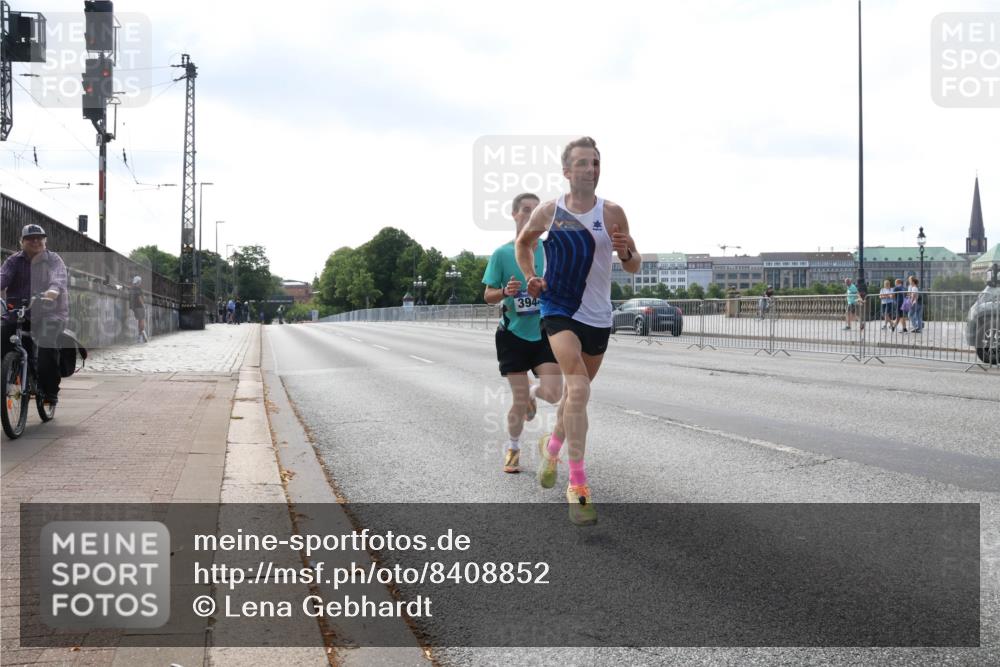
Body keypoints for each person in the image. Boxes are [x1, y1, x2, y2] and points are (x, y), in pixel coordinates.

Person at [515, 136, 641, 525]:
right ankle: (578, 485)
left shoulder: (613, 212)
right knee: (580, 388)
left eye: (596, 163)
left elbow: (633, 264)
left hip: (598, 316)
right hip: (559, 308)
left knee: (574, 396)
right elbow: (523, 244)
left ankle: (551, 449)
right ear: (567, 171)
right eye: (583, 163)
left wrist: (627, 250)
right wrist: (532, 276)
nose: (591, 169)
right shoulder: (550, 211)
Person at [483, 192, 563, 474]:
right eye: (526, 209)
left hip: (544, 332)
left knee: (553, 393)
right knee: (518, 401)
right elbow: (488, 295)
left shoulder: (551, 250)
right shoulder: (502, 254)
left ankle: (532, 391)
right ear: (514, 214)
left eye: (536, 210)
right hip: (513, 335)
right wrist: (505, 291)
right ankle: (513, 448)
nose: (531, 214)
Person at [0, 224, 68, 407]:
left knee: (47, 349)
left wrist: (53, 291)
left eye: (39, 238)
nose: (35, 241)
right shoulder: (13, 261)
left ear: (45, 241)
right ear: (21, 242)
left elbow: (58, 278)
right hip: (20, 311)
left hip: (50, 313)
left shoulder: (53, 260)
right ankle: (12, 386)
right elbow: (2, 277)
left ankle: (49, 393)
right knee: (3, 338)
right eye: (30, 238)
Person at [129, 276, 147, 342]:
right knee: (142, 320)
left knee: (140, 320)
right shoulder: (138, 288)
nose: (141, 282)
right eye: (140, 281)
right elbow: (139, 298)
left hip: (134, 307)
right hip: (140, 306)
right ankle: (142, 333)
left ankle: (140, 336)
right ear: (139, 282)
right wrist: (143, 306)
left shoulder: (131, 288)